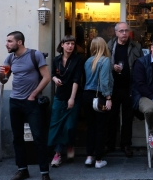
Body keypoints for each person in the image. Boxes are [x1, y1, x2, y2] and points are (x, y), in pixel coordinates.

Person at [0, 31, 53, 180]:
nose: (6, 44)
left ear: (19, 42)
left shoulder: (35, 55)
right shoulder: (10, 58)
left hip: (31, 102)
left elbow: (46, 77)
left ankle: (45, 175)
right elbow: (4, 80)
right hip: (15, 102)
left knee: (38, 138)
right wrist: (2, 74)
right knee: (17, 138)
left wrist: (34, 94)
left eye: (9, 41)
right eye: (6, 41)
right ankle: (22, 169)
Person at [107, 22, 143, 157]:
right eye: (121, 31)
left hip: (129, 87)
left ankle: (126, 144)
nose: (124, 34)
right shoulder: (109, 46)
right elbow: (104, 63)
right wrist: (112, 67)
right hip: (113, 87)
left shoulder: (136, 46)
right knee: (111, 117)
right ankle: (110, 144)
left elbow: (140, 66)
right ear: (116, 33)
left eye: (126, 31)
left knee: (128, 118)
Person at [48, 35, 84, 167]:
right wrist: (54, 79)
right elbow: (51, 74)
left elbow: (76, 79)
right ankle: (57, 154)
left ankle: (70, 145)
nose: (70, 46)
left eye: (72, 44)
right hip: (60, 96)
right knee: (56, 125)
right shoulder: (56, 60)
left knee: (69, 125)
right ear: (62, 45)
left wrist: (72, 98)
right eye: (67, 43)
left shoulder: (78, 60)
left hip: (73, 95)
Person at [83, 37, 113, 168]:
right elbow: (104, 81)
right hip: (99, 96)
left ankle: (89, 157)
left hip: (86, 96)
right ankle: (99, 160)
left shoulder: (87, 61)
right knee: (101, 128)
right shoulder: (105, 60)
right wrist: (108, 98)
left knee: (90, 127)